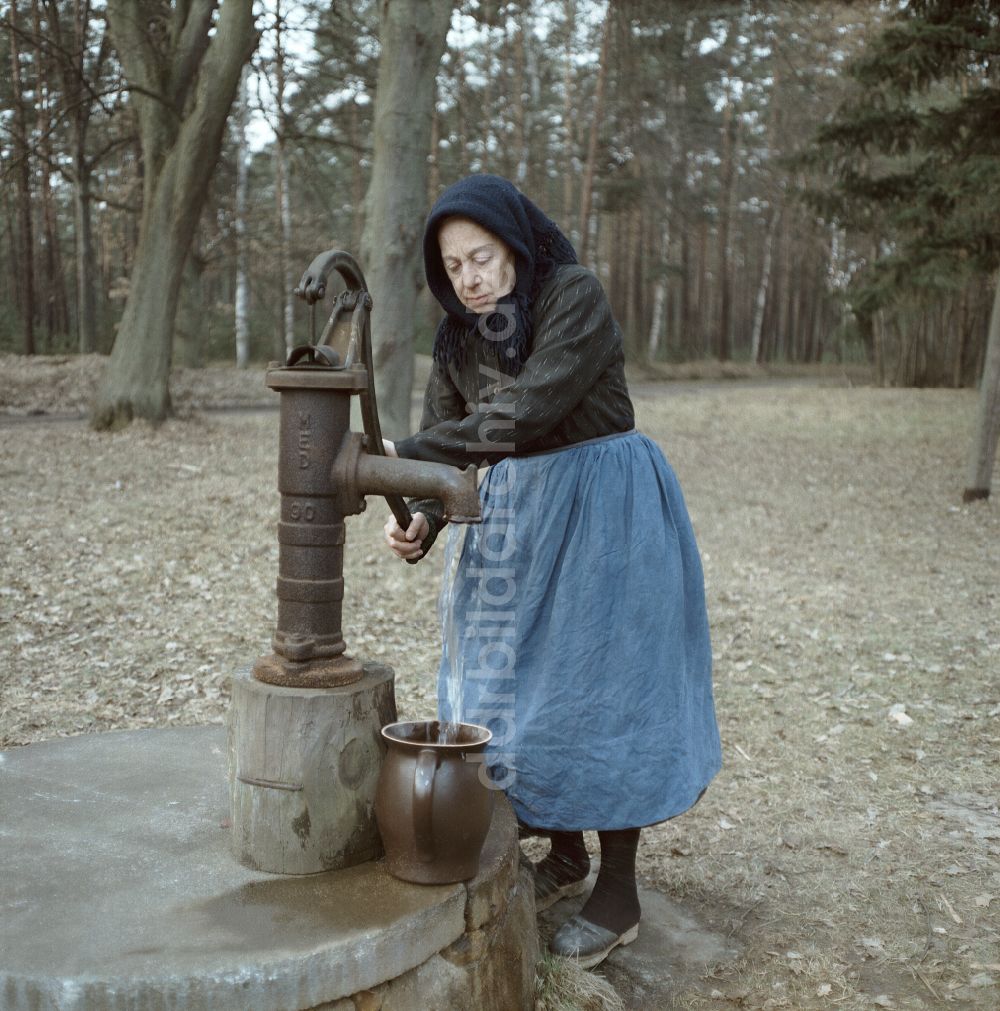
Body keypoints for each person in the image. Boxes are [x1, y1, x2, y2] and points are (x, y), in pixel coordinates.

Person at [381, 174, 721, 969]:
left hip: (605, 513)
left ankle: (619, 891)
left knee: (602, 693)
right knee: (514, 692)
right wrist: (424, 519)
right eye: (454, 264)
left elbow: (526, 410)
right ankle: (562, 854)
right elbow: (449, 444)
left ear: (516, 244)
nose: (470, 278)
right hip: (512, 528)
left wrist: (408, 452)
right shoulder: (457, 339)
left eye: (483, 256)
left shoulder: (574, 296)